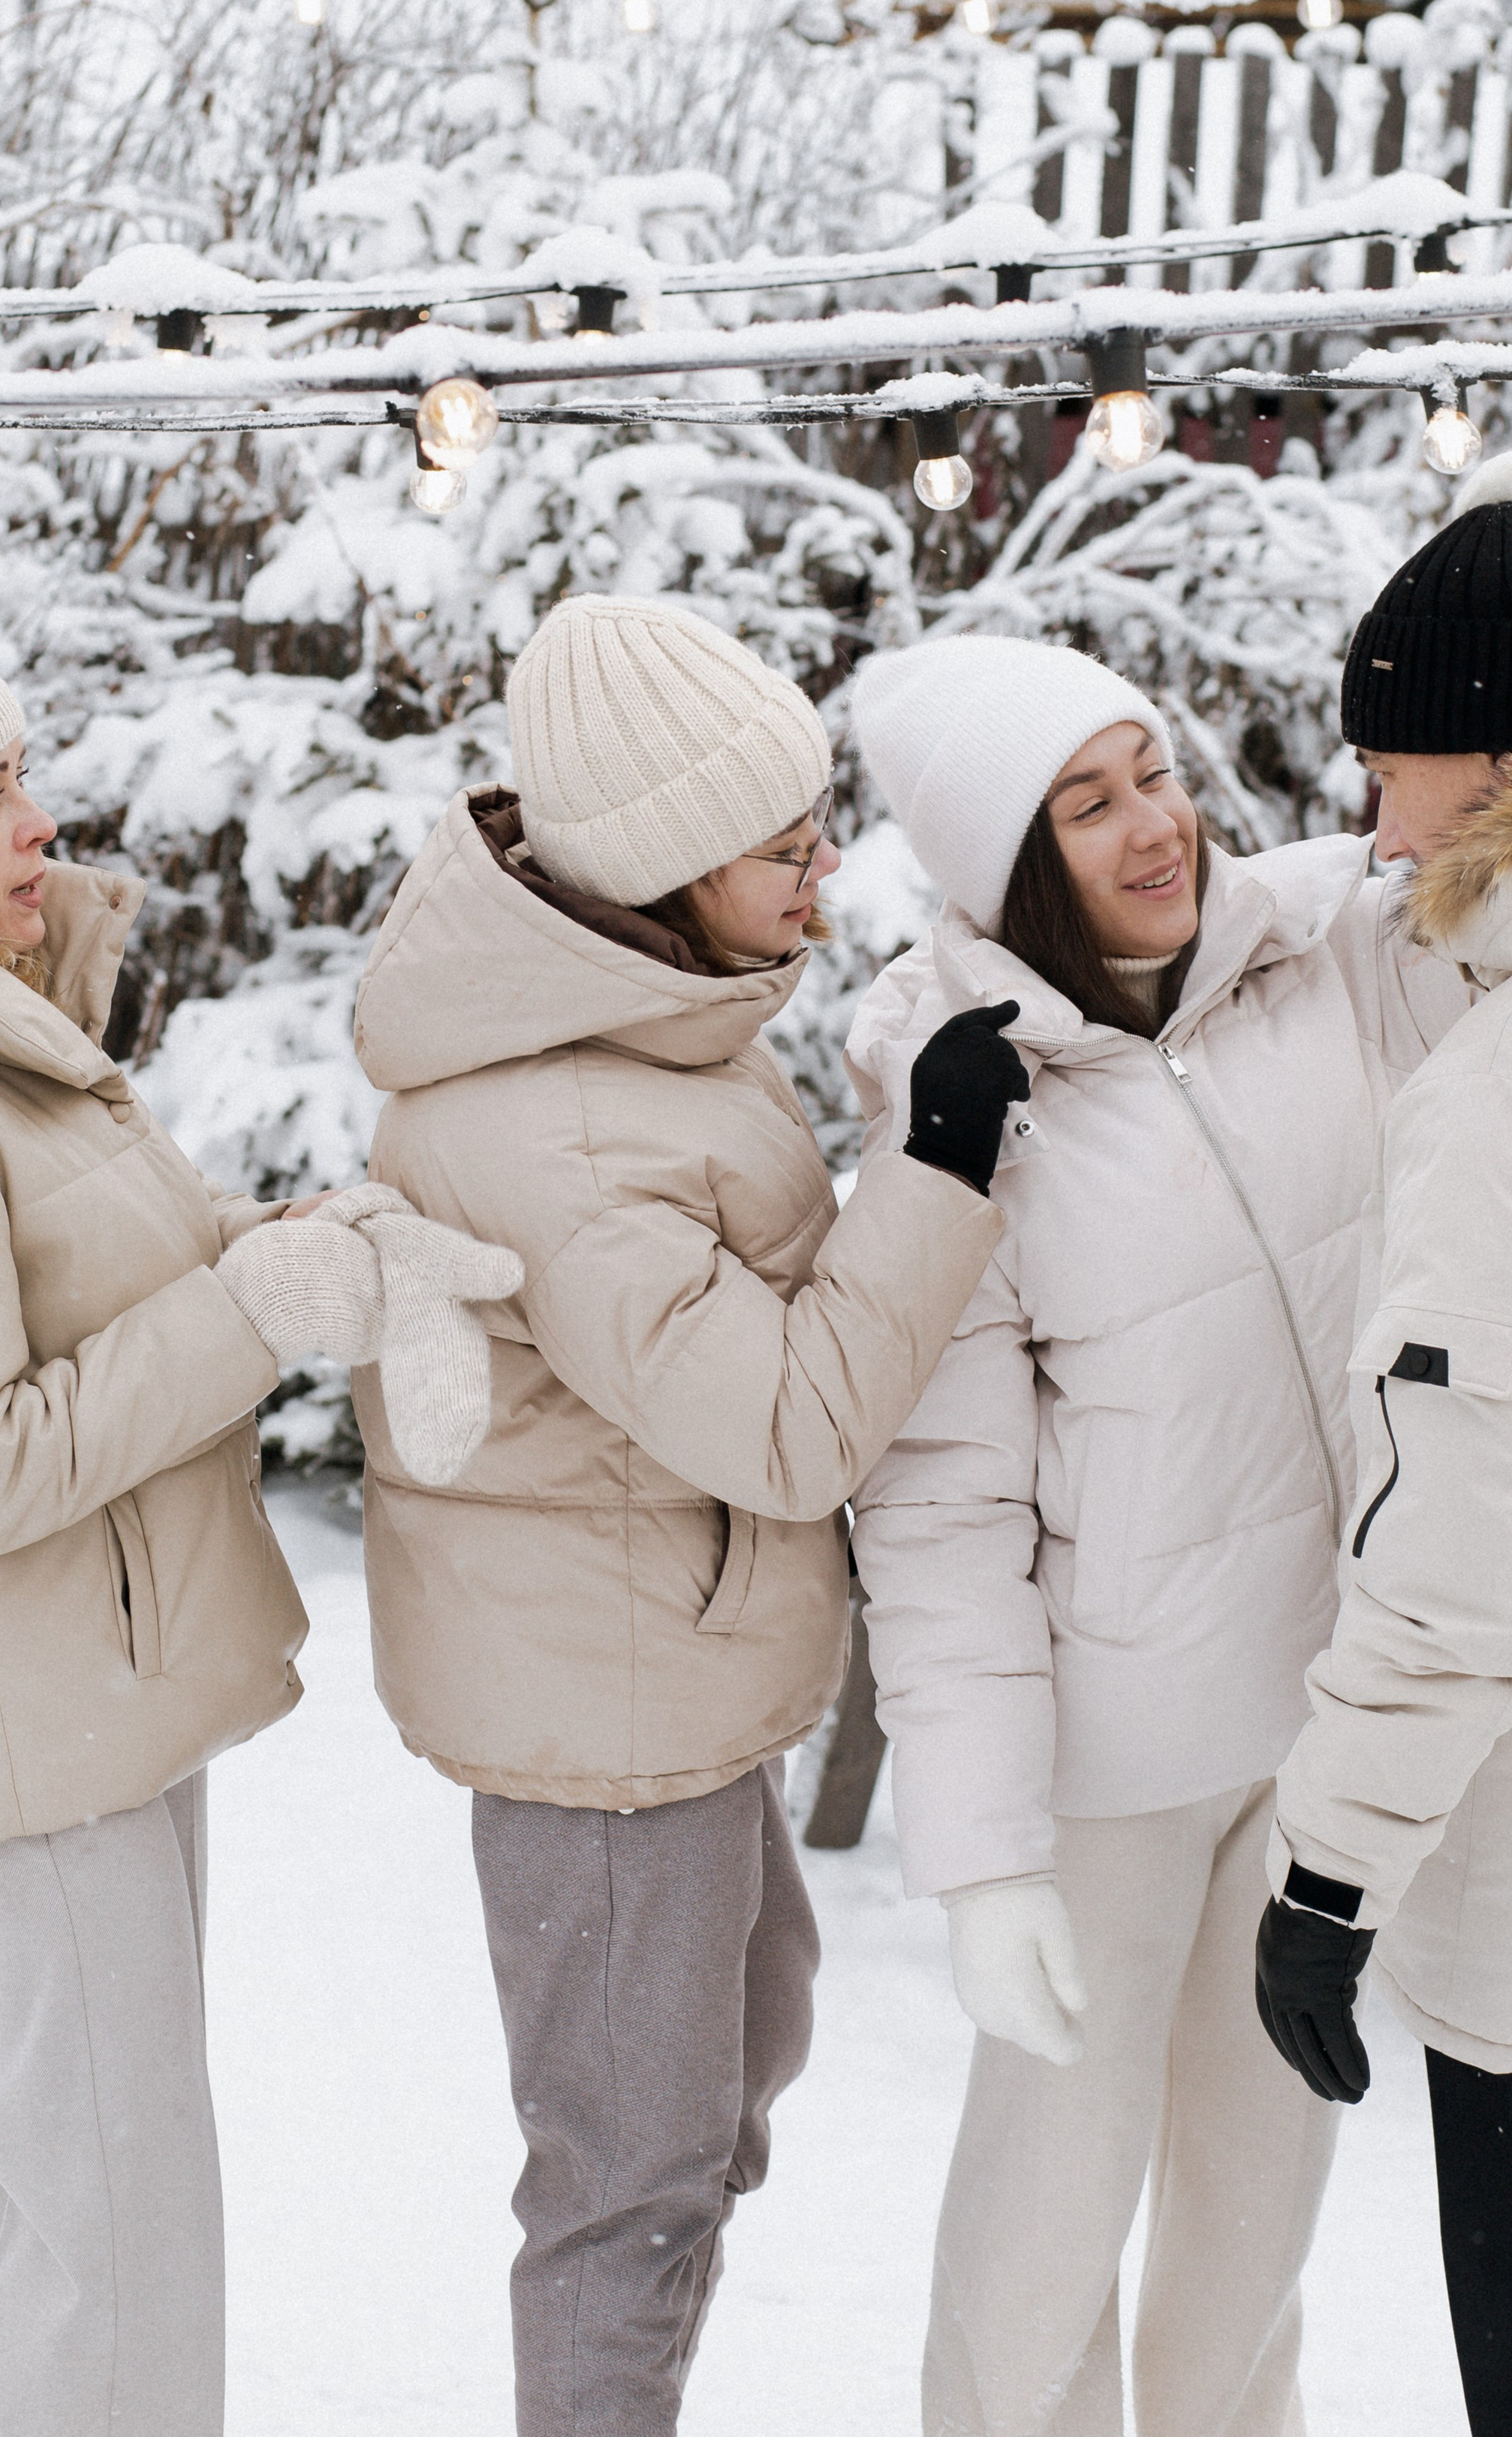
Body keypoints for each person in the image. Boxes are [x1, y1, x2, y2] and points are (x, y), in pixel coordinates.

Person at [0, 585, 517, 2437]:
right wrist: (251, 1314)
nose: (42, 825)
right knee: (114, 2234)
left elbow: (113, 1298)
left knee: (64, 2209)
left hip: (73, 1705)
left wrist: (296, 1253)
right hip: (22, 1736)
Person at [349, 592, 1021, 2437]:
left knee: (719, 2089)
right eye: (779, 839)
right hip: (606, 1730)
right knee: (624, 2194)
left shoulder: (628, 1025)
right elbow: (790, 1427)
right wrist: (937, 1168)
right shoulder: (566, 1132)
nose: (822, 866)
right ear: (655, 870)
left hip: (658, 1678)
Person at [844, 627, 1469, 2437]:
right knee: (1040, 2248)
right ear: (1005, 861)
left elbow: (1474, 834)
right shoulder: (958, 1101)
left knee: (1255, 2228)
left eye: (1154, 773)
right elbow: (938, 1509)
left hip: (1317, 1731)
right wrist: (981, 1864)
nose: (1152, 829)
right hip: (1106, 1772)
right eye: (1085, 802)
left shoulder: (1304, 952)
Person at [1255, 458, 1512, 2437]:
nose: (1371, 813)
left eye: (1392, 764)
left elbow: (1475, 1552)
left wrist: (1330, 1875)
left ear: (1504, 769)